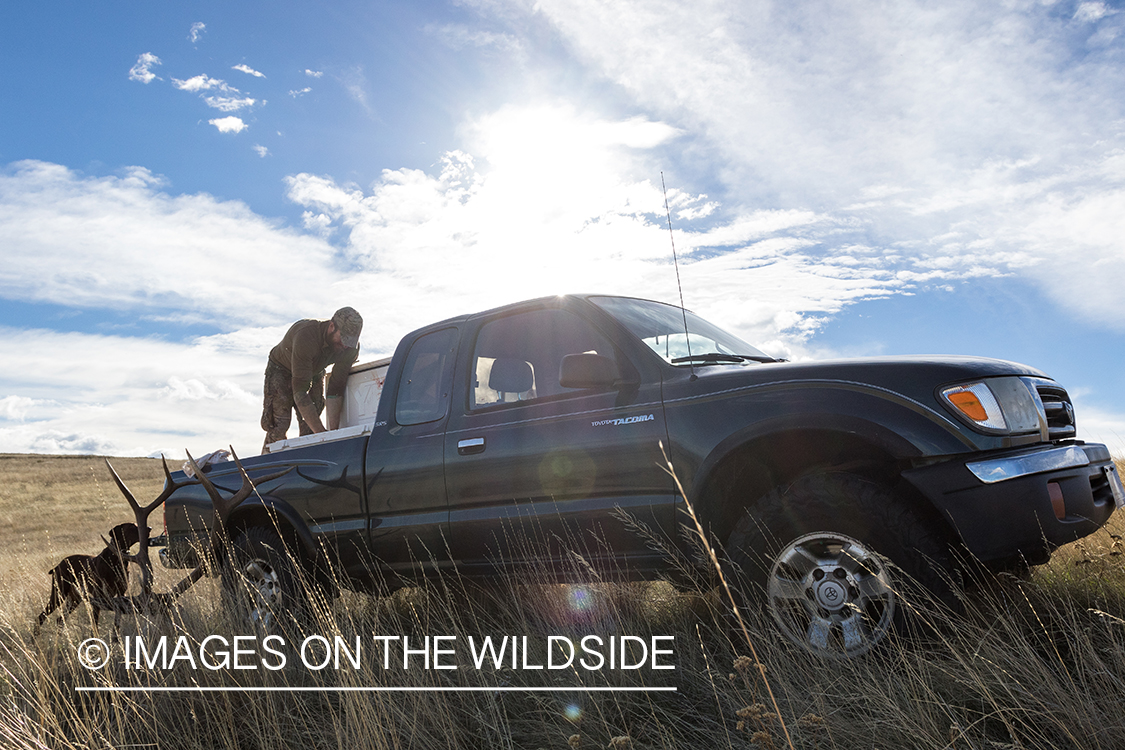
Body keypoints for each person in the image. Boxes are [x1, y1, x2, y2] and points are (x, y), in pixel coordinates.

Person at [260, 307, 363, 453]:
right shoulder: (306, 334)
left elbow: (336, 388)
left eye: (350, 342)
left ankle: (306, 467)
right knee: (279, 425)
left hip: (314, 370)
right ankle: (266, 464)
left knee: (310, 428)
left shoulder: (349, 349)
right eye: (343, 339)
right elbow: (300, 391)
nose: (345, 345)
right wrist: (322, 434)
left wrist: (331, 434)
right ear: (332, 326)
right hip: (281, 369)